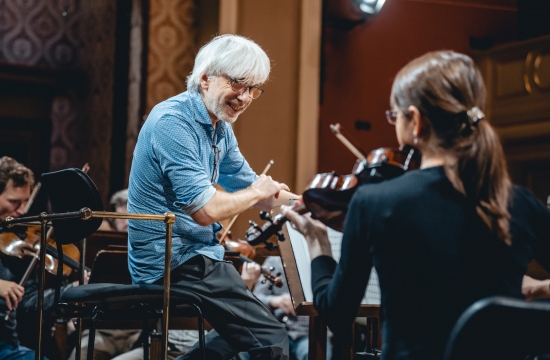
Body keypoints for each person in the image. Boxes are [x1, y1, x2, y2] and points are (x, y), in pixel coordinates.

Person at [282, 51, 550, 359]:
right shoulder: (522, 204)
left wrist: (318, 246)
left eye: (395, 116)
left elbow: (337, 314)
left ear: (417, 121)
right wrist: (540, 289)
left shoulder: (376, 203)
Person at [127, 34, 296, 360]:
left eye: (253, 89)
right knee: (270, 339)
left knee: (238, 339)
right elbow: (206, 211)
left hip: (198, 257)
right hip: (171, 263)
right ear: (205, 78)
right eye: (238, 84)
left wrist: (307, 204)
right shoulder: (172, 122)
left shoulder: (219, 128)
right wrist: (258, 191)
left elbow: (259, 192)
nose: (245, 97)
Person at [251, 256, 331, 360]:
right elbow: (256, 298)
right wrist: (275, 301)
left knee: (316, 353)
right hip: (278, 332)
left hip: (310, 332)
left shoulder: (321, 263)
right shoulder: (274, 262)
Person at [0, 156, 36, 359]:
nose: (22, 211)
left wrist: (68, 291)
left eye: (25, 201)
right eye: (14, 202)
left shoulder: (15, 240)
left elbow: (29, 302)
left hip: (8, 344)